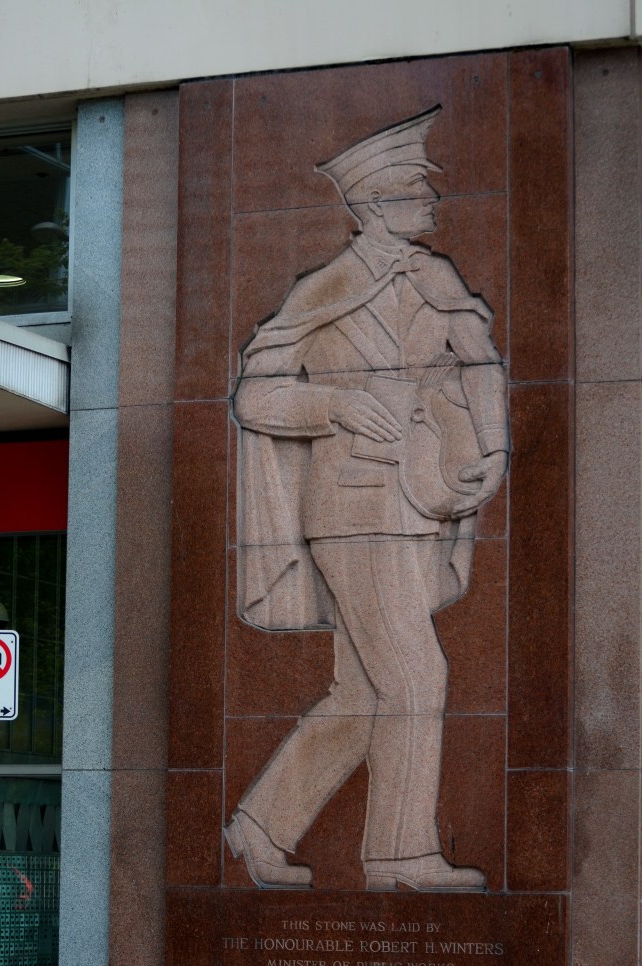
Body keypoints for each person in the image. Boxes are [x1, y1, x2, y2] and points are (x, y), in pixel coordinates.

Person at [225, 106, 509, 892]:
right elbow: (255, 397)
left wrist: (492, 450)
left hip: (422, 502)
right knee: (418, 677)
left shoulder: (436, 279)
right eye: (417, 192)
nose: (431, 203)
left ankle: (258, 825)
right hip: (349, 511)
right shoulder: (325, 289)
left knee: (365, 690)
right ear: (375, 203)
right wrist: (334, 406)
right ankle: (398, 856)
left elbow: (480, 365)